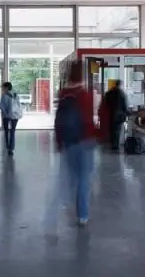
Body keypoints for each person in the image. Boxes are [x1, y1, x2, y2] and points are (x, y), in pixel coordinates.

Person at [54, 61, 97, 226]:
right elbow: (88, 120)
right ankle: (83, 215)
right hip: (85, 141)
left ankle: (69, 204)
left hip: (69, 141)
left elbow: (58, 120)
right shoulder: (85, 94)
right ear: (82, 75)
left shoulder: (64, 93)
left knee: (73, 177)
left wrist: (59, 141)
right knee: (84, 179)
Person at [103, 80, 129, 152]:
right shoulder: (122, 93)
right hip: (119, 115)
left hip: (111, 113)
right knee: (117, 130)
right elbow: (124, 105)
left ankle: (112, 144)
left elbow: (106, 103)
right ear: (120, 85)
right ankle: (116, 145)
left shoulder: (109, 92)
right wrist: (127, 113)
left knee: (111, 129)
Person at [0, 81, 21, 156]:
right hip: (15, 116)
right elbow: (19, 105)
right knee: (12, 131)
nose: (2, 89)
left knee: (7, 131)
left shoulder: (4, 95)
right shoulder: (15, 94)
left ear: (7, 87)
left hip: (6, 116)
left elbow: (2, 106)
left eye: (3, 87)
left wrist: (5, 113)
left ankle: (8, 147)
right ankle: (11, 149)